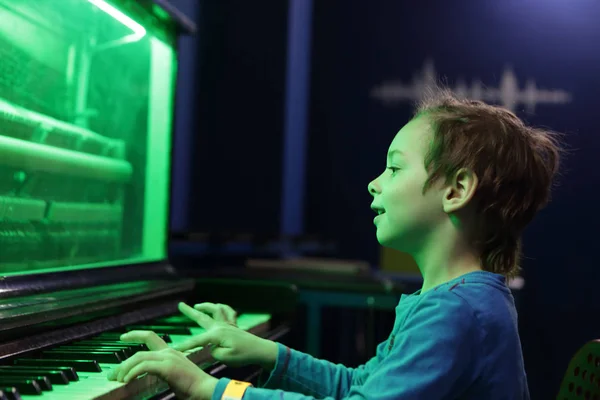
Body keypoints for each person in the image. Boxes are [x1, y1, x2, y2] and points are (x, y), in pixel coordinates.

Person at [108, 89, 563, 399]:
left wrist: (211, 388)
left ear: (456, 190)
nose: (373, 183)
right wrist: (265, 351)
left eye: (394, 168)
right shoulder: (456, 300)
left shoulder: (457, 312)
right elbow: (361, 386)